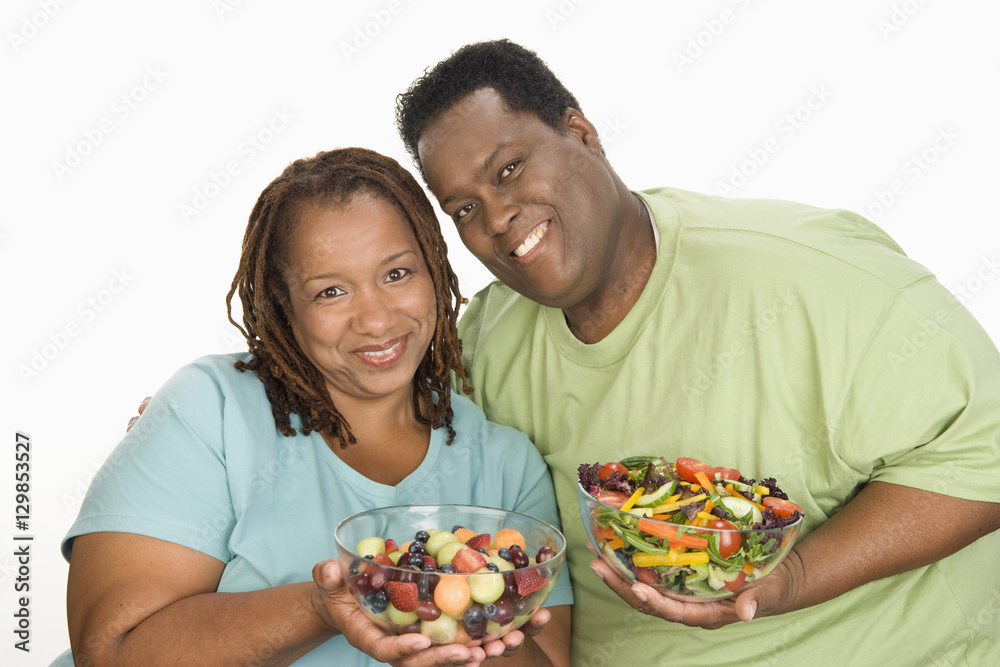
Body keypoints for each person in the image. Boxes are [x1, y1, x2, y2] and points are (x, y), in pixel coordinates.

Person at [393, 39, 1000, 665]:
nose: (496, 217)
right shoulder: (485, 343)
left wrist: (787, 581)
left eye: (509, 169)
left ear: (581, 134)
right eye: (464, 208)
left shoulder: (815, 276)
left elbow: (985, 453)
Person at [56, 147, 572, 667]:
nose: (375, 319)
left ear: (434, 270)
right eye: (330, 291)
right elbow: (111, 652)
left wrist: (459, 622)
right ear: (284, 305)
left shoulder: (507, 466)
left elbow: (546, 659)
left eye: (397, 274)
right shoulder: (208, 411)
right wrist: (326, 607)